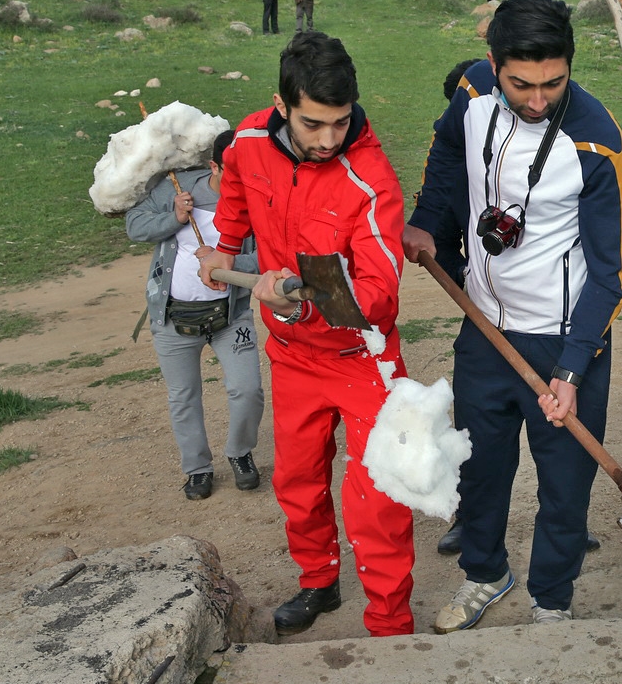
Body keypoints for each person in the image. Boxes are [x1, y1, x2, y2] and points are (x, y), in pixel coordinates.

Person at [402, 0, 622, 631]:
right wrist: (426, 220)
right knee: (480, 468)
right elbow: (449, 151)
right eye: (521, 84)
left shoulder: (601, 143)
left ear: (570, 67)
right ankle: (485, 574)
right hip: (482, 325)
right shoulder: (473, 92)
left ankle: (551, 601)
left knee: (565, 485)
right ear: (492, 63)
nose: (537, 100)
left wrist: (572, 369)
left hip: (563, 340)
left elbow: (611, 275)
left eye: (553, 83)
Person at [198, 32, 414, 638]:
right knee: (297, 479)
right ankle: (318, 583)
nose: (326, 140)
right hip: (293, 359)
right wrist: (224, 243)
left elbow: (377, 299)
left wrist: (298, 305)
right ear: (281, 106)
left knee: (377, 497)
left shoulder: (370, 183)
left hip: (362, 360)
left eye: (340, 124)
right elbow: (237, 188)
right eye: (313, 124)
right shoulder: (246, 138)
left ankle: (390, 622)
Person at [126, 130, 264, 503]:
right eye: (232, 172)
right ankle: (197, 468)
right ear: (213, 165)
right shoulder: (177, 186)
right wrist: (173, 217)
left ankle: (239, 452)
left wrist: (229, 263)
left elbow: (272, 257)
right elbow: (134, 226)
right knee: (183, 396)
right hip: (172, 317)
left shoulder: (258, 200)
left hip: (231, 316)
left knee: (247, 390)